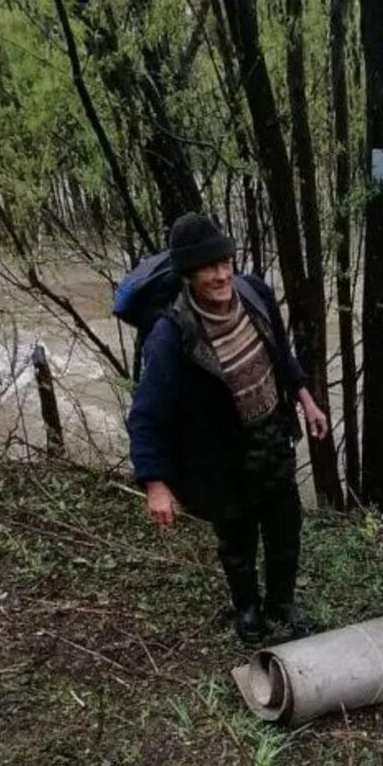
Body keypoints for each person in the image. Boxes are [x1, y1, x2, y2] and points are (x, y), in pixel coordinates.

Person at [127, 212, 327, 643]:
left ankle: (281, 603)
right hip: (221, 457)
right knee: (236, 540)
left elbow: (280, 351)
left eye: (224, 263)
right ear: (188, 273)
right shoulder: (171, 335)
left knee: (284, 529)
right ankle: (248, 611)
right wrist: (155, 484)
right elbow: (146, 414)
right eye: (208, 268)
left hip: (273, 437)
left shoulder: (255, 293)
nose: (221, 276)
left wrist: (306, 398)